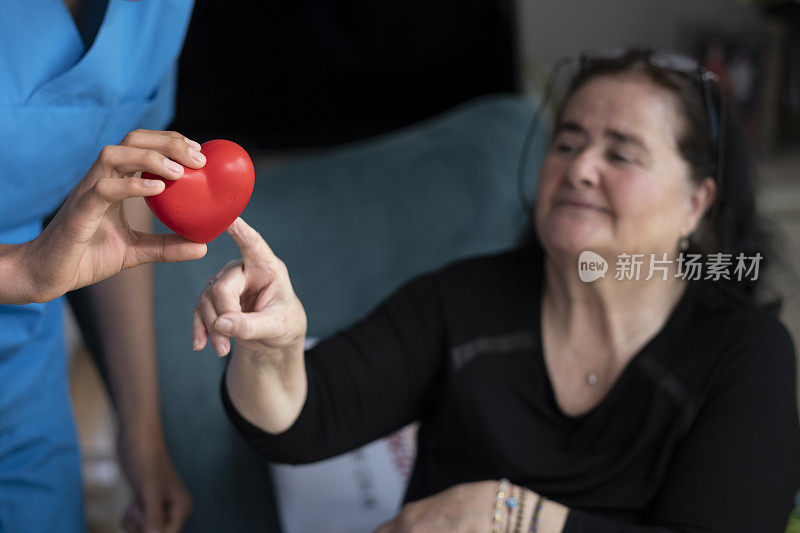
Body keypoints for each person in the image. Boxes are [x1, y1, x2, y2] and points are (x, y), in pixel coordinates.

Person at [197, 49, 800, 532]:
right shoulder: (462, 301)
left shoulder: (744, 352)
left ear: (696, 204)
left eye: (622, 153)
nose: (580, 168)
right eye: (567, 142)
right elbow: (298, 422)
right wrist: (272, 347)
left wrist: (510, 516)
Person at [0, 1, 201, 531]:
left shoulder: (159, 10)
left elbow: (118, 193)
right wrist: (16, 271)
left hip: (20, 371)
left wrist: (141, 433)